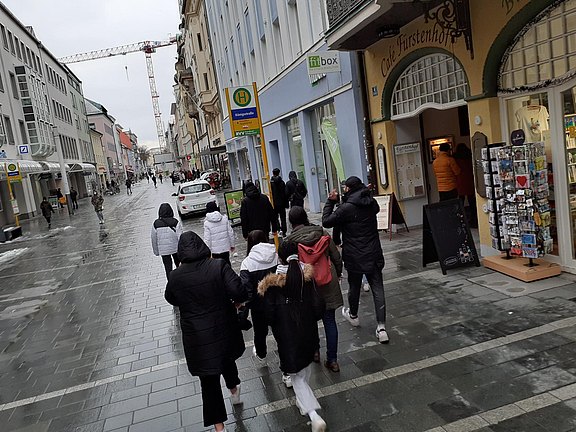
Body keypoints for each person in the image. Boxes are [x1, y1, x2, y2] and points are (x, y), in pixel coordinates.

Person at [165, 232, 247, 432]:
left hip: (197, 337)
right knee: (227, 360)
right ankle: (234, 390)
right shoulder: (218, 266)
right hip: (223, 327)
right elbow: (238, 291)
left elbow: (170, 298)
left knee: (208, 382)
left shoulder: (175, 276)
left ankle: (219, 427)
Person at [258, 241, 326, 432]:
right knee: (304, 369)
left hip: (287, 337)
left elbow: (269, 314)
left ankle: (314, 415)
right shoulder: (306, 276)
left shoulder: (271, 284)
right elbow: (318, 305)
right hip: (309, 332)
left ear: (279, 258)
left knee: (297, 377)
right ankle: (302, 403)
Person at [322, 176, 389, 344]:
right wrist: (365, 192)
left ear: (349, 189)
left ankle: (353, 315)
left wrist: (330, 202)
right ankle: (381, 328)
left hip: (354, 255)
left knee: (354, 285)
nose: (344, 189)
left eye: (345, 188)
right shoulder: (371, 203)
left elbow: (327, 221)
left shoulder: (346, 209)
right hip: (373, 253)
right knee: (378, 288)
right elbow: (370, 204)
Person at [286, 206, 343, 372]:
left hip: (308, 285)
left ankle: (315, 352)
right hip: (327, 279)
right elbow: (336, 256)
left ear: (291, 221)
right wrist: (337, 273)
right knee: (330, 321)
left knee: (309, 322)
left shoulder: (291, 241)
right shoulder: (322, 233)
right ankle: (332, 360)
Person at [239, 230, 278, 370]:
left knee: (260, 333)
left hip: (258, 307)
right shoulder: (276, 255)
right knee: (280, 331)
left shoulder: (247, 263)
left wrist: (243, 313)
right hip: (277, 303)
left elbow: (247, 291)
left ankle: (261, 356)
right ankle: (286, 370)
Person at [151, 203, 183, 279]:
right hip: (175, 248)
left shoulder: (156, 224)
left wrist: (156, 252)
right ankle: (181, 279)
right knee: (179, 265)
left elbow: (153, 239)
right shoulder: (175, 222)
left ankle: (171, 282)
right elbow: (180, 237)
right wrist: (182, 249)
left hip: (164, 251)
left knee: (168, 267)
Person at [454, 143, 478, 228]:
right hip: (470, 181)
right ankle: (474, 220)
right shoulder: (469, 156)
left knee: (460, 203)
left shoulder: (455, 158)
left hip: (460, 182)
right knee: (472, 203)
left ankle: (461, 221)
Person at [270, 168, 289, 236]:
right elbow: (285, 193)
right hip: (282, 203)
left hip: (274, 203)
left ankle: (278, 229)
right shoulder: (282, 182)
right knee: (283, 218)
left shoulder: (271, 183)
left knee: (275, 218)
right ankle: (284, 231)